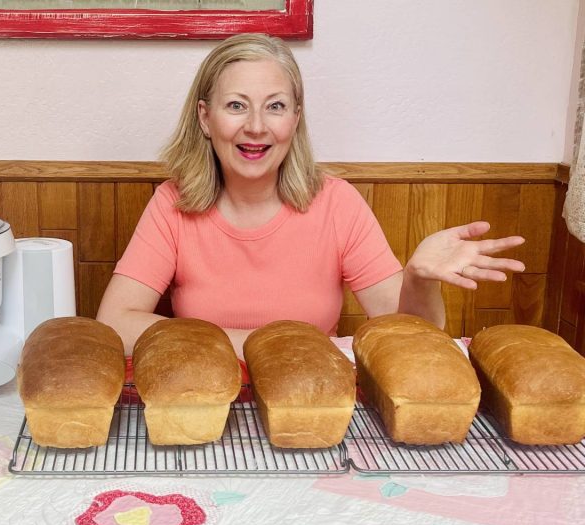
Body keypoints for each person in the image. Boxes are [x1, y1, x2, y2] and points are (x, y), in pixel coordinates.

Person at [96, 33, 525, 358]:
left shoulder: (338, 203)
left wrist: (417, 278)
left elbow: (414, 337)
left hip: (310, 393)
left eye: (276, 106)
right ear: (206, 118)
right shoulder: (173, 204)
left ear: (296, 119)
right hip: (204, 394)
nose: (257, 126)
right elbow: (115, 323)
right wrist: (273, 343)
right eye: (237, 105)